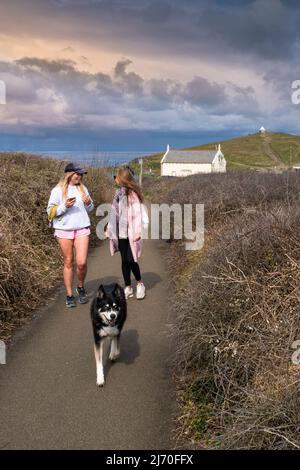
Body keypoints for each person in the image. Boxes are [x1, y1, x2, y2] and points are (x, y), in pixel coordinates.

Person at [47, 162, 94, 308]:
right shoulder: (57, 190)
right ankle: (69, 295)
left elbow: (91, 208)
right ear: (68, 174)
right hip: (63, 230)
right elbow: (50, 211)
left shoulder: (83, 188)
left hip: (81, 228)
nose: (79, 176)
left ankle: (80, 286)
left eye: (81, 174)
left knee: (81, 262)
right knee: (68, 261)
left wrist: (88, 204)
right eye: (77, 174)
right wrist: (64, 207)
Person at [106, 166, 146, 300]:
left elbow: (138, 215)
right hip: (120, 232)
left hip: (132, 232)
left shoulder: (133, 195)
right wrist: (109, 228)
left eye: (116, 176)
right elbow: (114, 213)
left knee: (131, 260)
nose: (114, 178)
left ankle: (140, 284)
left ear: (122, 178)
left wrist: (138, 231)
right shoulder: (118, 193)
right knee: (124, 260)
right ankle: (128, 287)